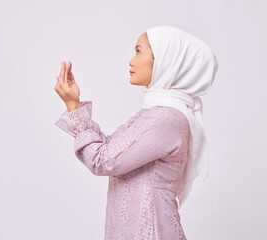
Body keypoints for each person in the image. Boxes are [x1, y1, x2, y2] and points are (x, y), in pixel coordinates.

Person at [53, 25, 219, 240]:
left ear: (164, 60)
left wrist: (73, 109)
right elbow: (109, 150)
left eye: (139, 51)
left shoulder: (165, 118)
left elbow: (102, 160)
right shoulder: (155, 113)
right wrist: (74, 103)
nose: (131, 61)